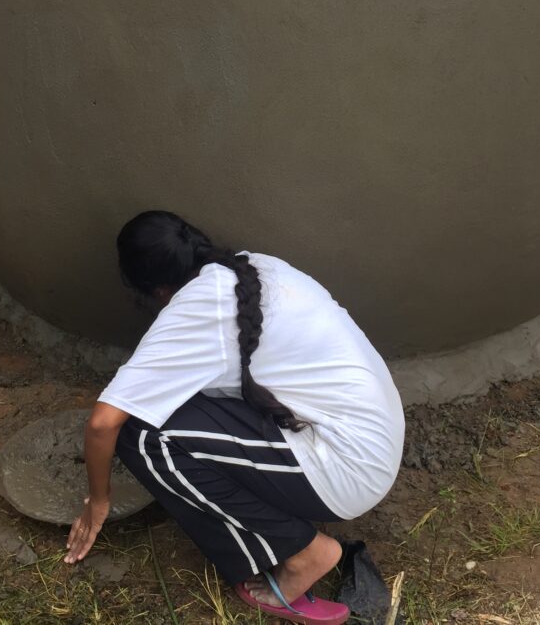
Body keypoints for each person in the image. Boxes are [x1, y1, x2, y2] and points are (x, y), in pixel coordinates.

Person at [64, 211, 405, 625]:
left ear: (155, 290)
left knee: (140, 433)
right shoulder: (254, 266)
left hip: (347, 468)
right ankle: (290, 518)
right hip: (372, 439)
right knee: (176, 404)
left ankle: (302, 553)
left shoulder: (193, 311)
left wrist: (98, 502)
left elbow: (103, 423)